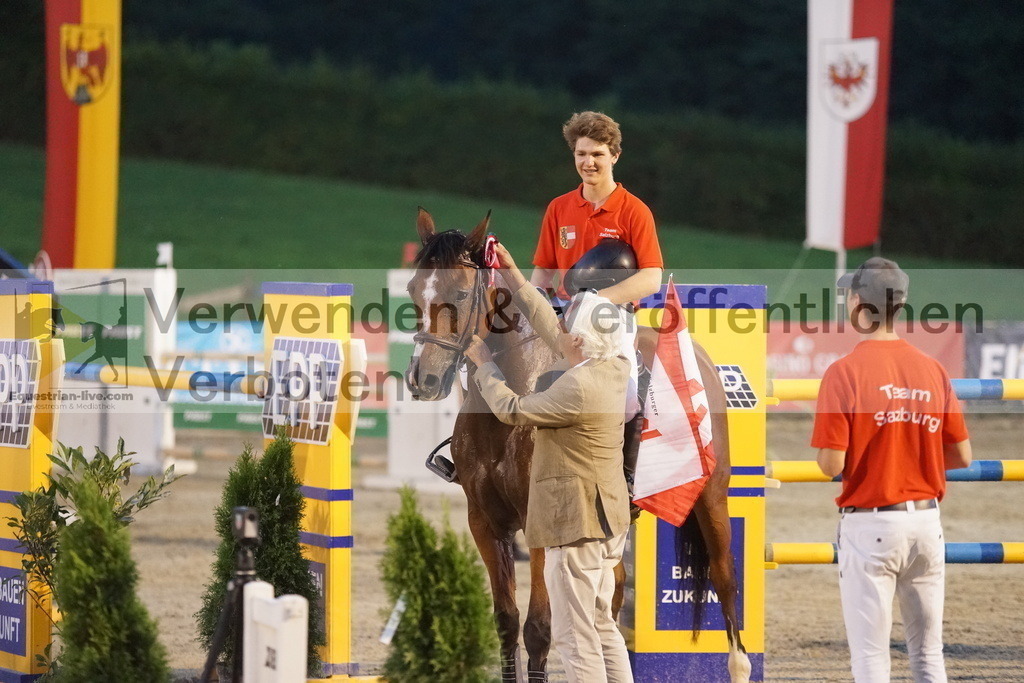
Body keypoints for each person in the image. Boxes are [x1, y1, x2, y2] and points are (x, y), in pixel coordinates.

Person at [465, 243, 634, 683]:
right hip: (609, 519)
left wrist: (485, 366)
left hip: (574, 521)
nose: (562, 335)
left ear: (578, 341)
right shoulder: (612, 364)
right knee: (602, 625)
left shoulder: (574, 388)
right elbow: (548, 325)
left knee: (574, 637)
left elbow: (511, 410)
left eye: (568, 332)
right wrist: (516, 277)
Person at [811, 257, 973, 683]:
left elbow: (832, 463)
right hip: (926, 522)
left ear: (859, 304)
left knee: (870, 660)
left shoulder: (843, 372)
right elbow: (963, 455)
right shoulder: (933, 369)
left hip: (872, 524)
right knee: (928, 656)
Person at [531, 111, 663, 305]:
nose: (588, 163)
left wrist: (592, 301)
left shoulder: (635, 210)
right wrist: (533, 311)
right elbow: (543, 272)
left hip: (613, 314)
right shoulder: (558, 207)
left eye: (597, 154)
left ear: (615, 156)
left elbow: (651, 278)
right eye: (581, 154)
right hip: (564, 311)